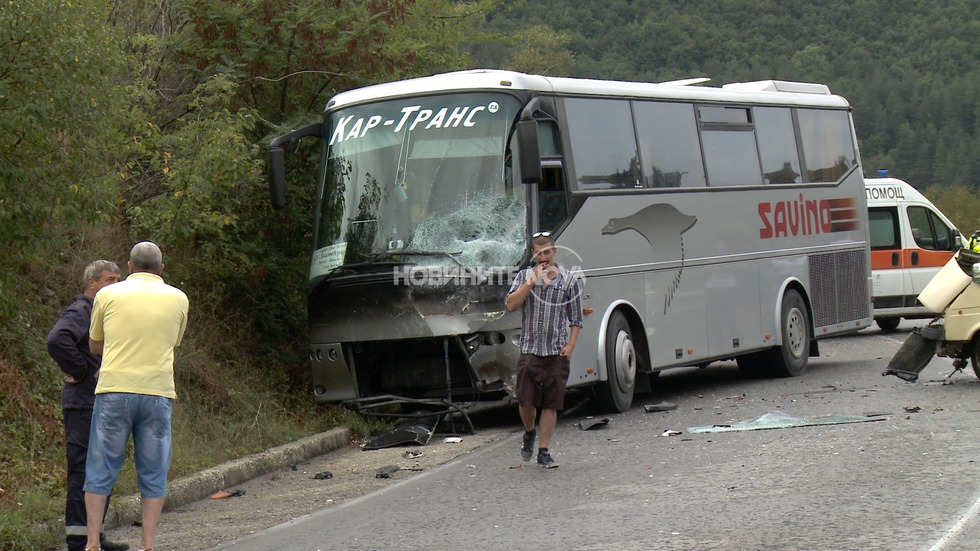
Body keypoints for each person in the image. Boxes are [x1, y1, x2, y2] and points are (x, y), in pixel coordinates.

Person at [83, 242, 189, 551]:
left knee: (100, 465)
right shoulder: (179, 299)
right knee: (154, 470)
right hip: (156, 391)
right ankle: (147, 544)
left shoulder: (106, 295)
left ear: (128, 267)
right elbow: (173, 342)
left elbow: (94, 345)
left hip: (114, 389)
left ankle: (92, 543)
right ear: (161, 268)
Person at [47, 260, 129, 551]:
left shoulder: (108, 312)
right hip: (82, 403)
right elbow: (57, 339)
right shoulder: (82, 310)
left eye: (119, 279)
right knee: (82, 470)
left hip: (102, 400)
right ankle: (77, 540)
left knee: (102, 469)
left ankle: (95, 537)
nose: (115, 284)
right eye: (109, 279)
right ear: (91, 283)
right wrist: (81, 370)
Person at [505, 232, 583, 468]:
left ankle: (544, 450)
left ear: (554, 252)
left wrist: (570, 346)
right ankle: (529, 432)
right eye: (538, 253)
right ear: (533, 255)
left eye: (547, 252)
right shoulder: (523, 277)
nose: (543, 257)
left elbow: (576, 319)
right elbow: (510, 305)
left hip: (557, 350)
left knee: (552, 403)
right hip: (530, 349)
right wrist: (530, 282)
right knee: (526, 401)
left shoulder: (568, 280)